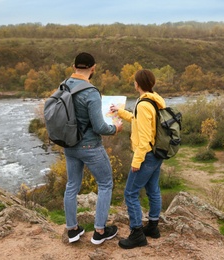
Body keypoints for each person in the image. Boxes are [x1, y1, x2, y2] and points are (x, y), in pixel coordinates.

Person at [63, 52, 122, 244]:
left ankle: (72, 230)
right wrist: (115, 129)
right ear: (93, 68)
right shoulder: (91, 92)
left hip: (69, 144)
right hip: (90, 146)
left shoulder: (63, 86)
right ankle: (99, 231)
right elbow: (99, 127)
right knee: (105, 184)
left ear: (74, 67)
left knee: (72, 185)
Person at [110, 69, 165, 249]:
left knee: (130, 193)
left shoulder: (143, 104)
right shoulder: (154, 100)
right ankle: (153, 227)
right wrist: (121, 112)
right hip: (157, 153)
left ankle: (137, 234)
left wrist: (136, 161)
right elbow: (138, 120)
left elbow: (144, 137)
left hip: (146, 155)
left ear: (137, 84)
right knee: (153, 189)